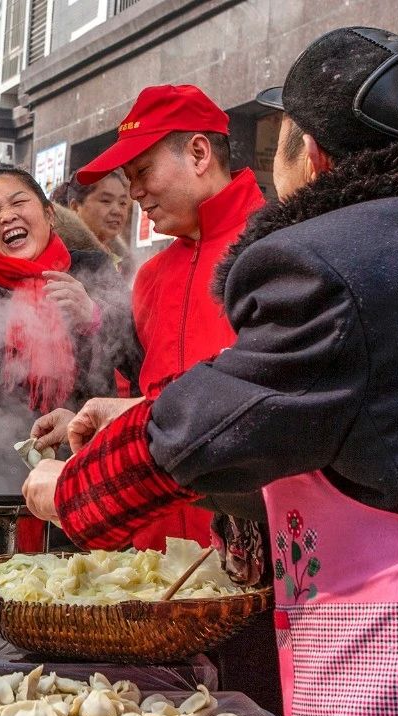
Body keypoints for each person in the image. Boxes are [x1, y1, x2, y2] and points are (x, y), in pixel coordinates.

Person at [26, 26, 398, 716]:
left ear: (312, 153)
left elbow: (212, 431)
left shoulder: (327, 259)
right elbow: (337, 397)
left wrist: (70, 490)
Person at [30, 84, 266, 553]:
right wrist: (89, 421)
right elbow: (142, 399)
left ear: (199, 153)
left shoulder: (275, 251)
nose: (134, 194)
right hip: (152, 550)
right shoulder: (152, 274)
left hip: (253, 547)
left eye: (143, 172)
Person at [0, 167, 137, 418]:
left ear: (49, 214)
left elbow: (136, 356)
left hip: (89, 439)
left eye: (18, 202)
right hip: (0, 446)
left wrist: (93, 315)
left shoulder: (92, 268)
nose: (7, 216)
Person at [66, 168, 133, 272]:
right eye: (106, 200)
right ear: (75, 207)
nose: (117, 211)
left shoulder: (126, 262)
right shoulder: (63, 257)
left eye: (123, 203)